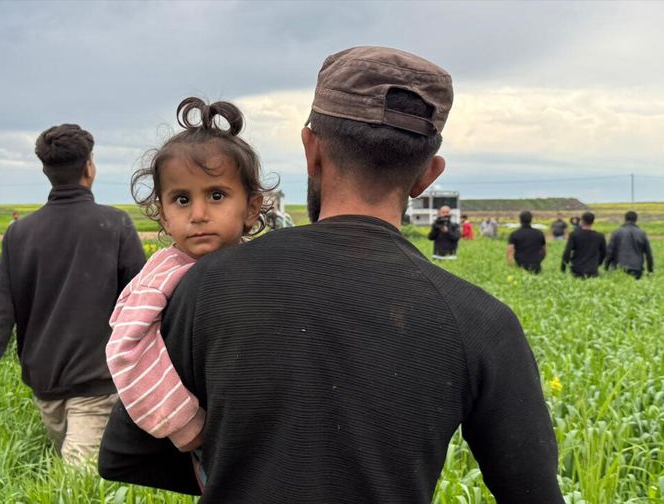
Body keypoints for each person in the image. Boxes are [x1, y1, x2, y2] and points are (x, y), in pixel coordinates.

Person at [99, 46, 562, 502]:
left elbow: (124, 455)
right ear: (428, 176)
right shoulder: (482, 321)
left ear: (311, 150)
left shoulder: (203, 283)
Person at [0, 124, 146, 466]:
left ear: (46, 172)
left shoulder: (21, 233)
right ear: (89, 168)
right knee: (80, 482)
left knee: (76, 481)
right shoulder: (115, 224)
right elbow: (144, 306)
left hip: (50, 385)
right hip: (98, 379)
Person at [105, 98, 269, 471]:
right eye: (182, 199)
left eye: (216, 195)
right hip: (207, 437)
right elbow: (126, 349)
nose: (198, 214)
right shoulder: (164, 274)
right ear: (163, 215)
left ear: (251, 207)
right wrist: (185, 424)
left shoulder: (257, 264)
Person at [605, 211, 654, 279]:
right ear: (636, 220)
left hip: (619, 267)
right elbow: (648, 254)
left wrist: (606, 266)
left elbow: (610, 251)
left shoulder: (616, 232)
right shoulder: (642, 233)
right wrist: (650, 270)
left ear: (625, 219)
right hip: (636, 268)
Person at [561, 211, 606, 278]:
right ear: (593, 222)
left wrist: (563, 268)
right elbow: (604, 253)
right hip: (592, 269)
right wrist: (598, 263)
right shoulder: (600, 236)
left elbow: (567, 252)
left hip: (577, 269)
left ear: (582, 221)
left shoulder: (574, 234)